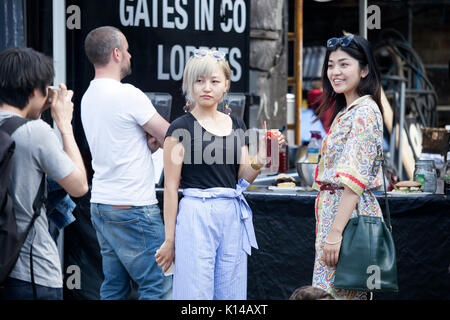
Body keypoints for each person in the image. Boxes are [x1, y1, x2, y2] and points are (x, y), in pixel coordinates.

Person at [155, 49, 285, 299]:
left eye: (214, 81)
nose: (206, 87)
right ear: (189, 84)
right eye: (199, 80)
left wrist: (263, 156)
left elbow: (243, 179)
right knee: (195, 292)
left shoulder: (236, 124)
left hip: (231, 212)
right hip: (196, 212)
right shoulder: (179, 128)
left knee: (232, 289)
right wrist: (169, 239)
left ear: (226, 85)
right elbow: (170, 188)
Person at [81, 26, 171, 300]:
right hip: (132, 205)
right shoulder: (127, 94)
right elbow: (172, 137)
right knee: (159, 284)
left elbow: (120, 142)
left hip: (103, 204)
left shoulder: (88, 96)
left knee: (114, 287)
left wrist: (150, 143)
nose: (131, 55)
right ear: (117, 53)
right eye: (128, 49)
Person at [0, 47, 88, 300]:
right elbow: (79, 185)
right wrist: (64, 125)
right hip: (31, 271)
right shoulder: (36, 132)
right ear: (35, 91)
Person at [311, 34, 384, 300]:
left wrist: (335, 233)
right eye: (331, 65)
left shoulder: (365, 112)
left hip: (348, 220)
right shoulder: (347, 110)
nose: (335, 72)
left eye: (344, 64)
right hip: (337, 216)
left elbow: (354, 179)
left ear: (364, 70)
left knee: (337, 295)